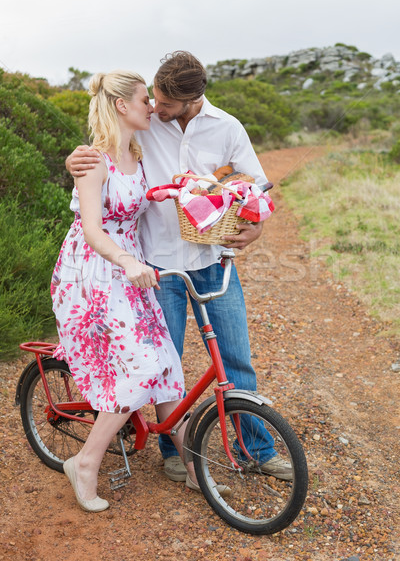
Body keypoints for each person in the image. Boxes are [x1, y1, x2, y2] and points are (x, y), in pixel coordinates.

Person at [66, 52, 293, 482]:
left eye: (165, 102)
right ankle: (175, 449)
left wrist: (256, 229)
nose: (155, 106)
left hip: (212, 261)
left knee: (235, 359)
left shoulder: (227, 128)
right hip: (156, 263)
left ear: (193, 99)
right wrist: (72, 162)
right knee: (164, 362)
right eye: (152, 96)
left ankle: (256, 449)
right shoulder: (145, 128)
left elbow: (255, 185)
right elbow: (104, 151)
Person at [52, 69, 209, 513]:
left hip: (132, 271)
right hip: (94, 273)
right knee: (142, 367)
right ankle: (84, 463)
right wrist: (125, 261)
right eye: (145, 99)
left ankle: (194, 468)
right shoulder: (94, 160)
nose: (151, 106)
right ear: (122, 105)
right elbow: (93, 231)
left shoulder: (136, 154)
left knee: (166, 364)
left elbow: (137, 202)